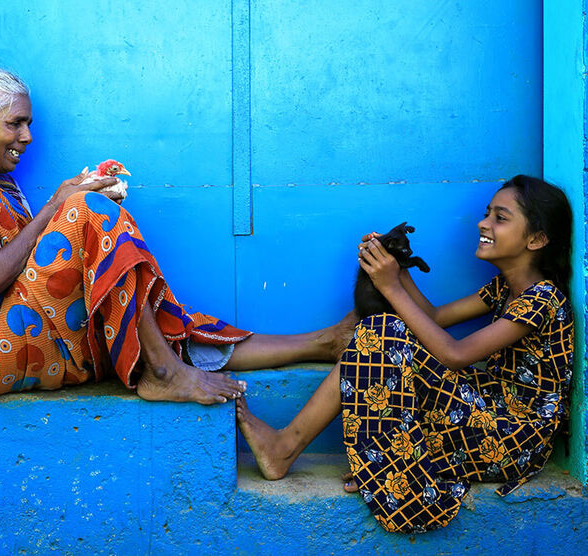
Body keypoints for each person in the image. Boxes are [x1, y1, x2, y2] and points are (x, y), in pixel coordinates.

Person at [0, 65, 350, 402]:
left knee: (154, 318)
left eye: (28, 124)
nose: (28, 136)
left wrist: (80, 217)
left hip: (22, 333)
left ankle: (321, 342)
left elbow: (28, 266)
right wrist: (63, 208)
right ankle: (164, 371)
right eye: (16, 123)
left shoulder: (1, 187)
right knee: (86, 214)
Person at [236, 175, 574, 532]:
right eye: (486, 213)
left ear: (536, 239)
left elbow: (456, 354)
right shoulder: (504, 288)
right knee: (380, 330)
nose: (483, 223)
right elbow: (434, 318)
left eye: (500, 218)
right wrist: (396, 269)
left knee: (383, 330)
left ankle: (297, 450)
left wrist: (390, 286)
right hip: (489, 415)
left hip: (515, 440)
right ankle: (362, 461)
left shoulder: (543, 299)